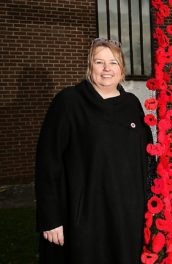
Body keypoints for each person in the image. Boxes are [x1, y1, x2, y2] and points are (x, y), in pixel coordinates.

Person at [35, 38, 156, 264]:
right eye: (99, 62)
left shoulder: (132, 104)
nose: (107, 69)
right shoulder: (69, 102)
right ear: (90, 66)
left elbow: (148, 159)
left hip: (126, 217)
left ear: (122, 69)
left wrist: (151, 204)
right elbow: (48, 163)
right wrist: (50, 218)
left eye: (113, 62)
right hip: (85, 216)